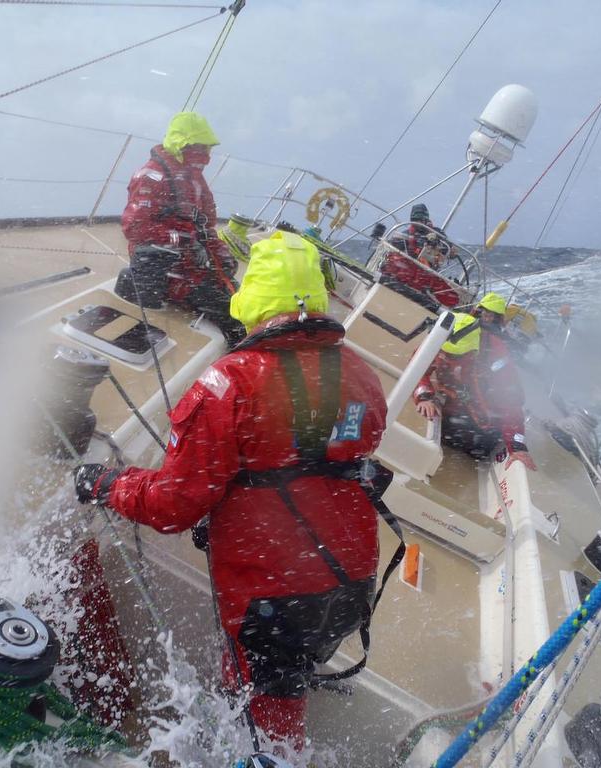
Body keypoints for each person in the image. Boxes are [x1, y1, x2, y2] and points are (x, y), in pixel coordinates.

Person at [74, 230, 390, 751]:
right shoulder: (360, 374)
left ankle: (264, 755)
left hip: (273, 592)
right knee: (284, 678)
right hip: (349, 581)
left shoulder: (230, 383)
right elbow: (347, 450)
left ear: (253, 298)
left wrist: (109, 485)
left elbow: (175, 503)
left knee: (261, 720)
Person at [121, 111, 245, 344]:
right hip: (163, 267)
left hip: (193, 266)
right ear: (183, 145)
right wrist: (184, 240)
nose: (206, 155)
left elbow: (205, 227)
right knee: (233, 317)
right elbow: (135, 228)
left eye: (208, 148)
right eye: (201, 147)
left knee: (242, 301)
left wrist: (220, 253)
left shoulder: (195, 180)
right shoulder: (151, 177)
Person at [413, 296, 536, 470]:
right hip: (451, 411)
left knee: (480, 446)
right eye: (447, 355)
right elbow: (418, 365)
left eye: (458, 357)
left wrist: (517, 446)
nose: (451, 360)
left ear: (474, 351)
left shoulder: (496, 354)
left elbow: (512, 403)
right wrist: (423, 396)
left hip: (480, 422)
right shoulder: (443, 336)